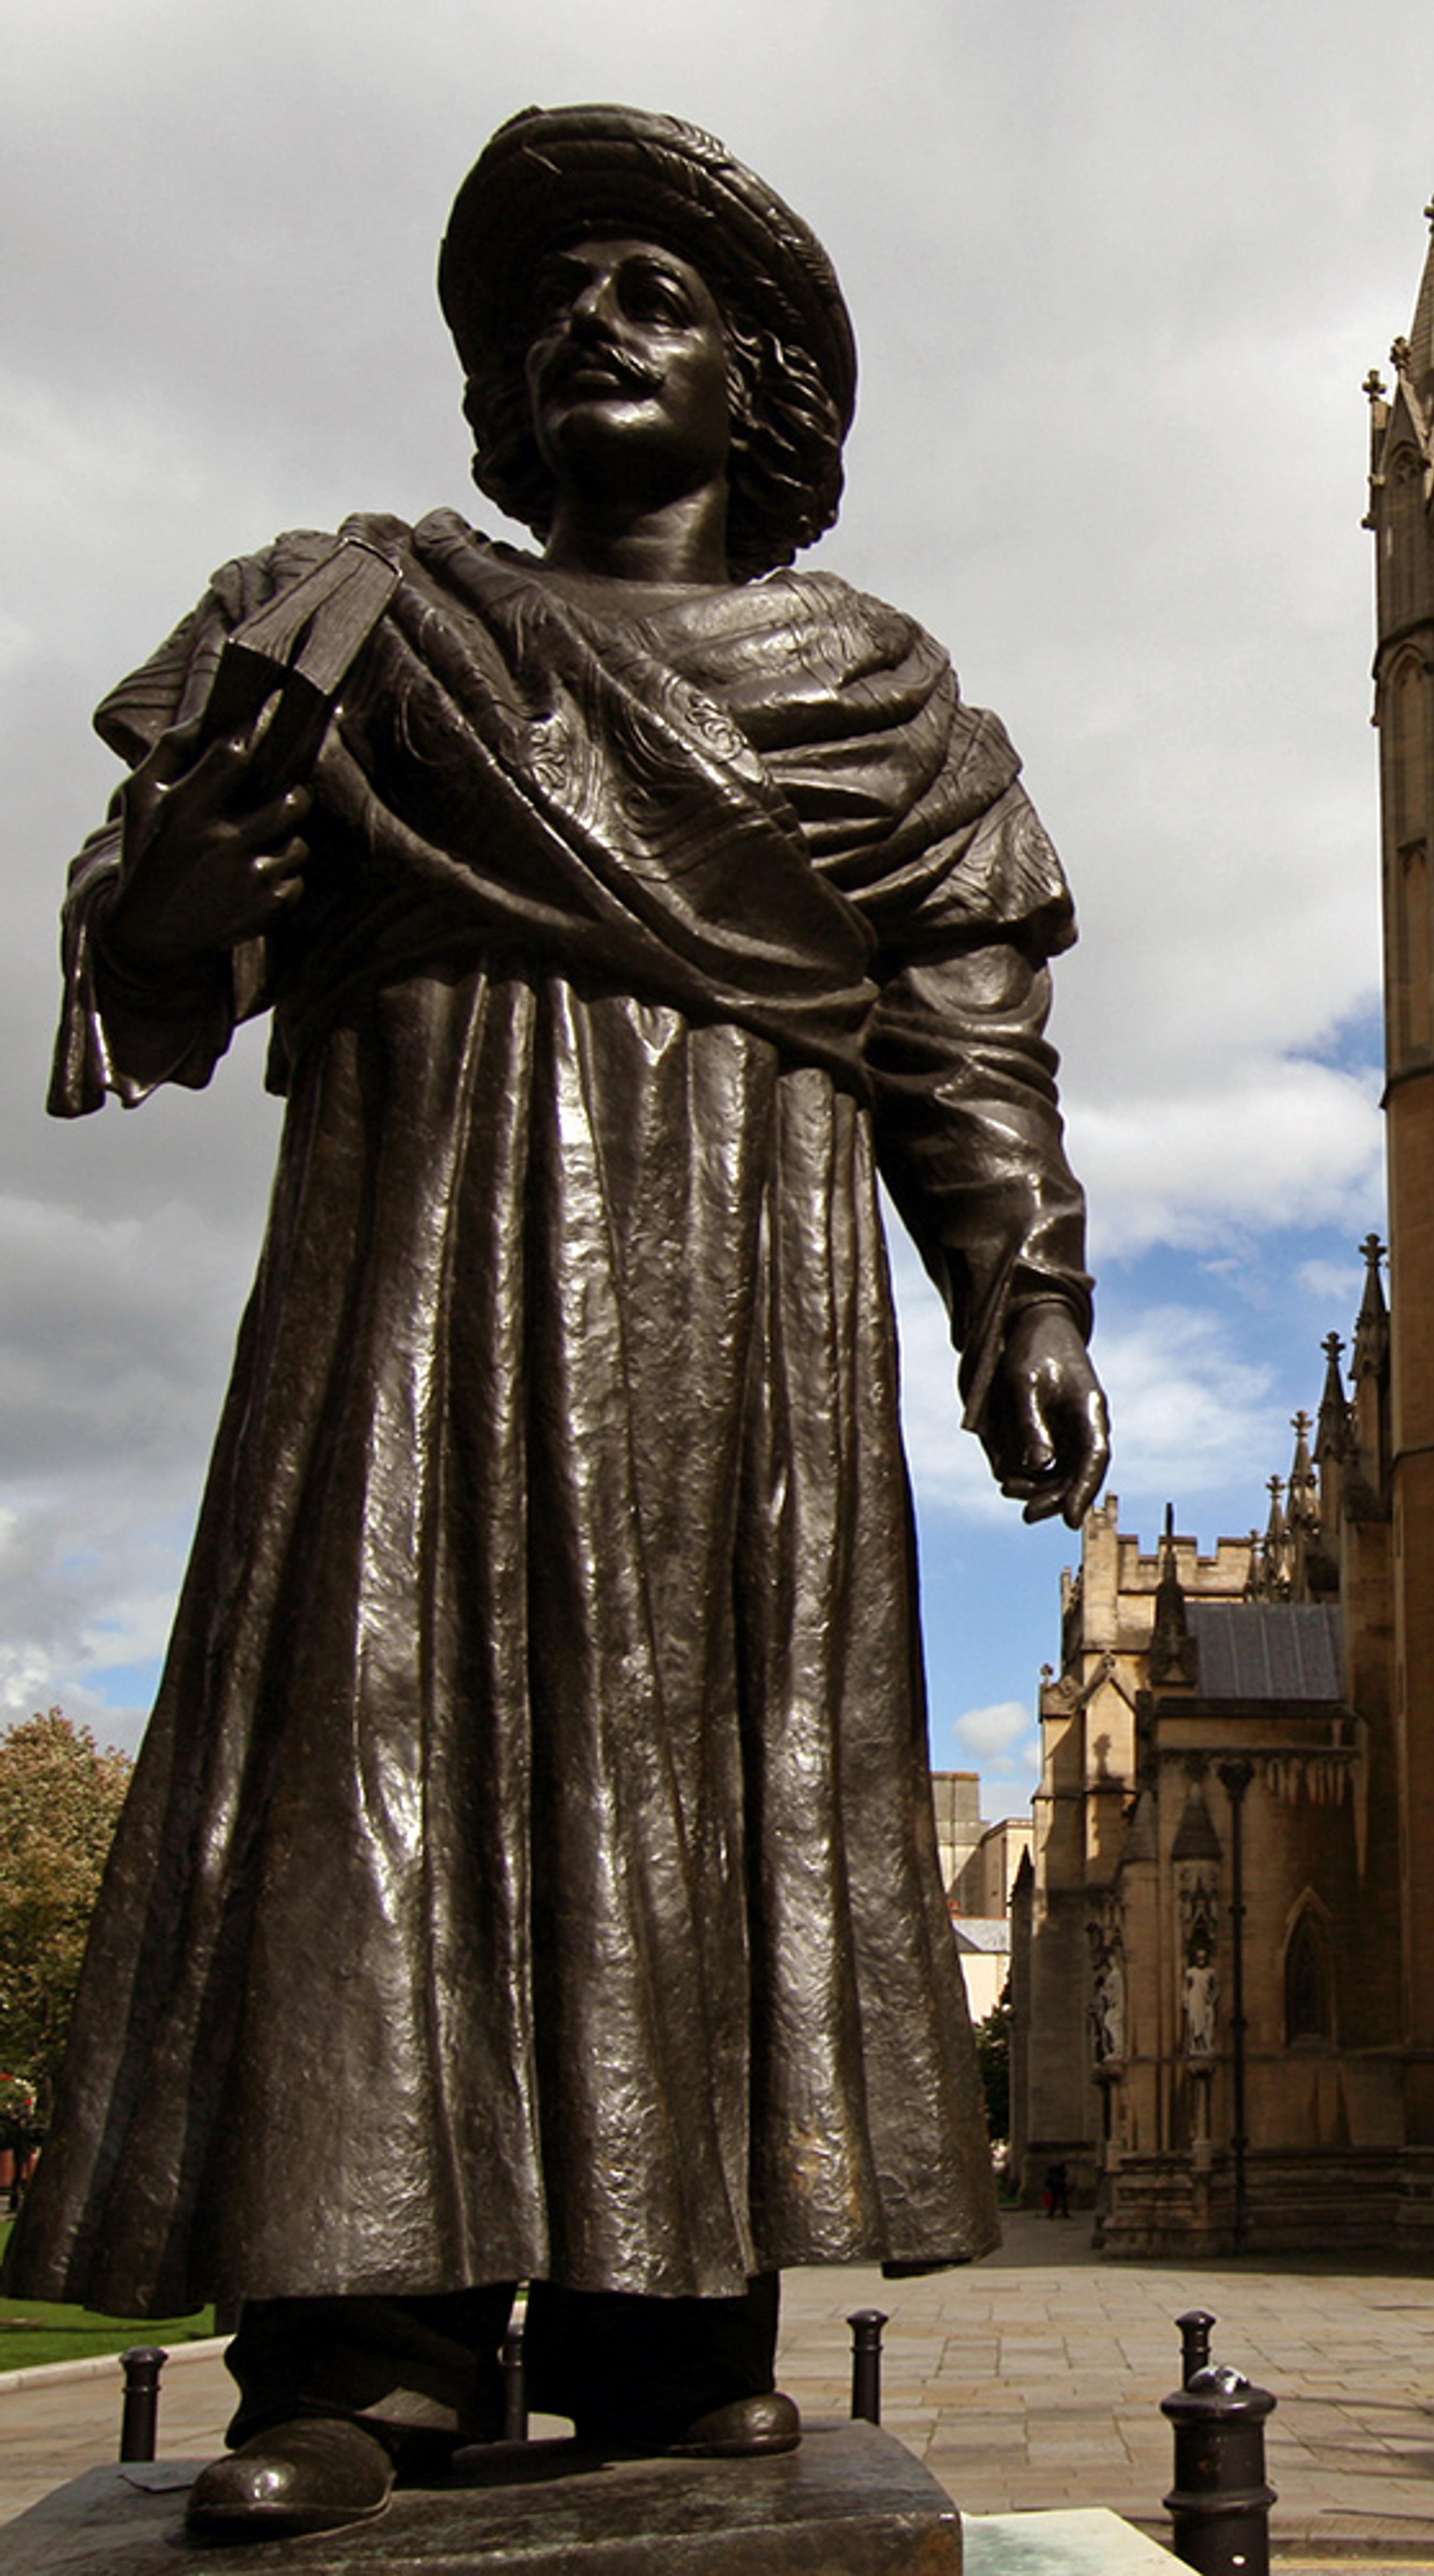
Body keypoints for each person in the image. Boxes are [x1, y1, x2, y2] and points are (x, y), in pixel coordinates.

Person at [2, 105, 1108, 2541]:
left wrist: (1021, 1291)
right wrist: (169, 903)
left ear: (766, 395)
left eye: (659, 293)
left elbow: (967, 1033)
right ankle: (361, 2340)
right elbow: (152, 945)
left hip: (740, 1315)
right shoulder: (354, 618)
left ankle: (662, 2317)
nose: (592, 320)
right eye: (558, 298)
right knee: (373, 1742)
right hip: (411, 1288)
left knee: (699, 1754)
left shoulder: (884, 695)